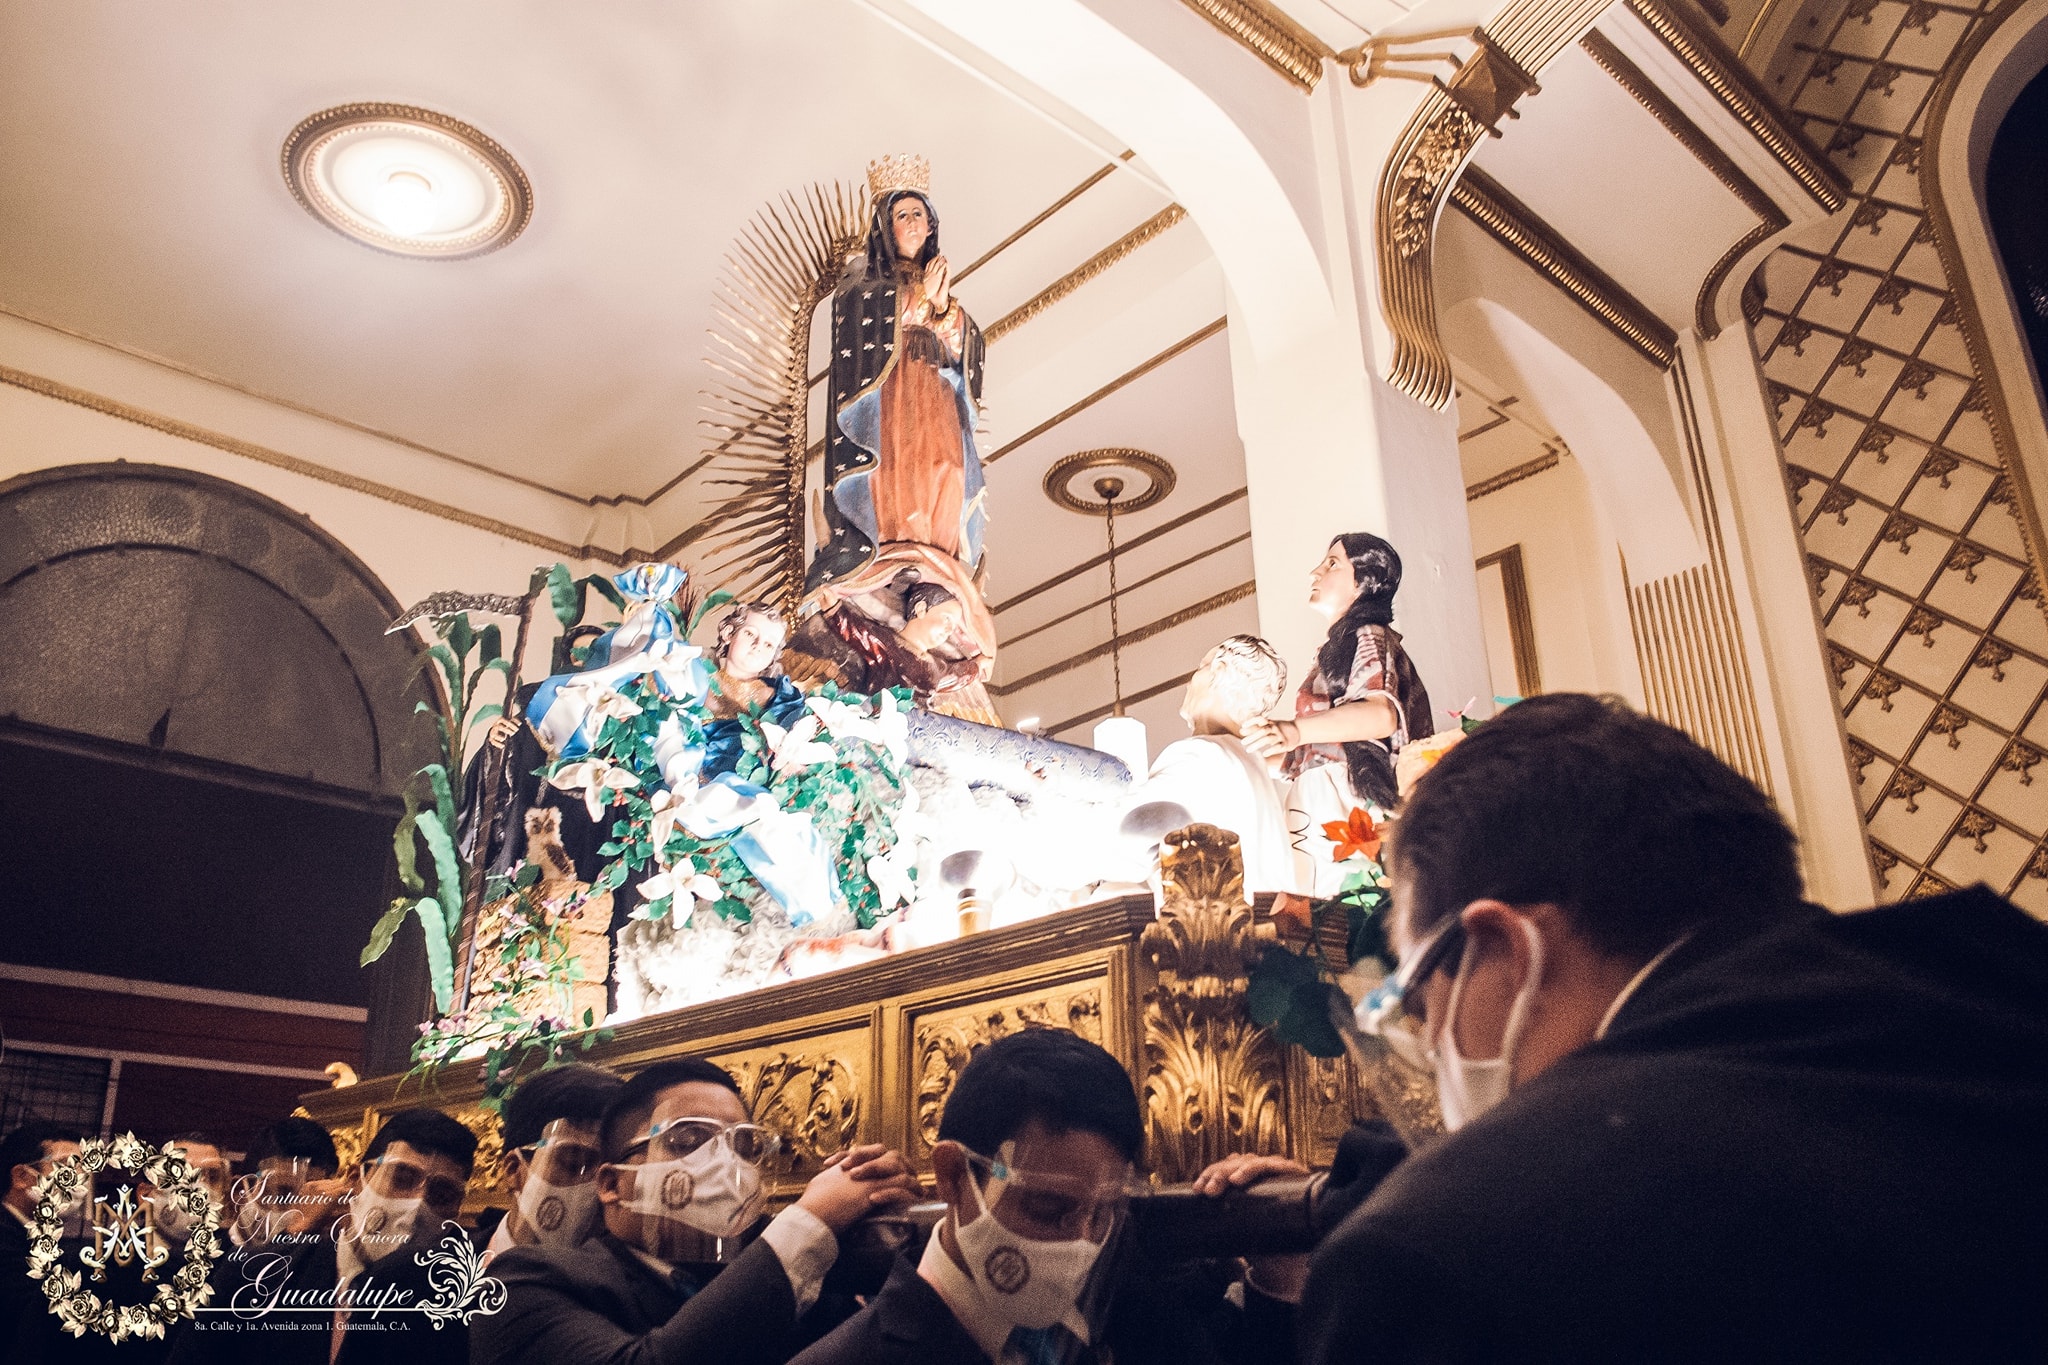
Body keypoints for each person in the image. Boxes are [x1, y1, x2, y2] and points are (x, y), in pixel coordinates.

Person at [1297, 693, 2048, 1362]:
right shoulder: (1999, 980)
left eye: (1419, 996)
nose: (1429, 1042)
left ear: (1500, 947)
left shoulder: (1438, 1257)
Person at [473, 1056, 919, 1365]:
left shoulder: (798, 1274)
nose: (725, 1165)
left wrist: (910, 1234)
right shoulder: (527, 1283)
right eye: (688, 1140)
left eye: (743, 1145)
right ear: (611, 1184)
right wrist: (810, 1222)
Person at [790, 1029, 1142, 1365]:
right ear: (954, 1175)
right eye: (1046, 1209)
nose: (1082, 1245)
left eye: (1101, 1214)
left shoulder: (1100, 1334)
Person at [171, 1106, 478, 1365]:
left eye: (442, 1193)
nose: (416, 1205)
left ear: (456, 1211)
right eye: (402, 1177)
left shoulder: (457, 1311)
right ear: (358, 1179)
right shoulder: (252, 1276)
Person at [1242, 535, 1433, 896]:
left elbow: (1380, 716)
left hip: (1350, 801)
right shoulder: (1336, 652)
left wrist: (1294, 730)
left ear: (1366, 581)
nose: (1316, 571)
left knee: (1342, 906)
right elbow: (1308, 756)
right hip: (1318, 798)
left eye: (1333, 563)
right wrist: (1244, 757)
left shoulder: (1370, 636)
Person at [1121, 636, 1294, 894]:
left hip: (1212, 928)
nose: (1189, 682)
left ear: (1219, 672)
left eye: (1200, 668)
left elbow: (1123, 835)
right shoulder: (1253, 766)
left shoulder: (1200, 754)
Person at [486, 1063, 624, 1258]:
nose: (599, 1190)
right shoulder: (438, 1265)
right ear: (514, 1169)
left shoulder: (630, 1283)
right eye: (573, 1164)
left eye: (612, 1177)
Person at [2, 1121, 84, 1353]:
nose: (79, 1180)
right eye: (66, 1167)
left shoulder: (42, 1241)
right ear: (21, 1176)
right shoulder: (6, 1244)